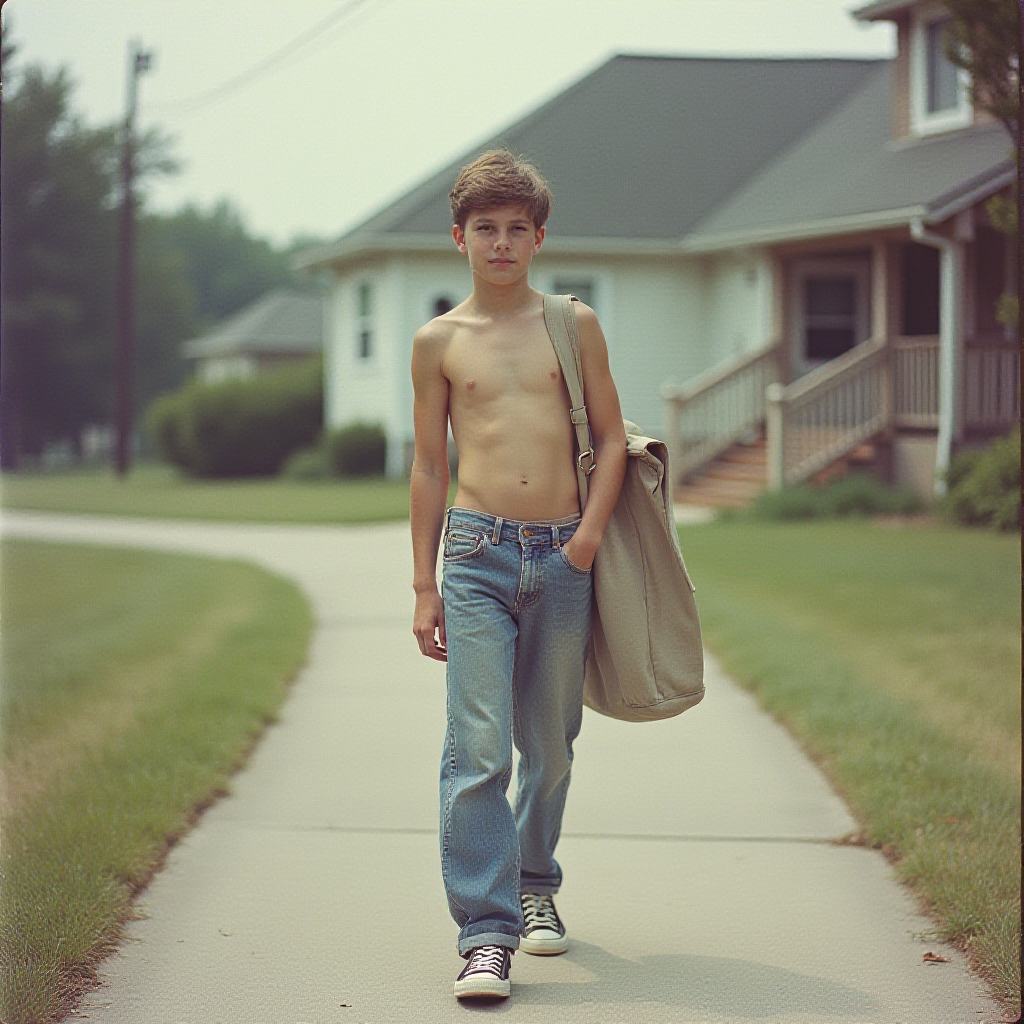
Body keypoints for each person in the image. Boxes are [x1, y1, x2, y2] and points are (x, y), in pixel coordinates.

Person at [409, 150, 627, 1001]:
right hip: (474, 556)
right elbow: (430, 467)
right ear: (459, 238)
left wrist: (586, 542)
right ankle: (485, 932)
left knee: (550, 745)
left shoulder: (571, 323)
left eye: (516, 229)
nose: (501, 243)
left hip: (564, 552)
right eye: (485, 229)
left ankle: (537, 887)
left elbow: (610, 439)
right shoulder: (438, 342)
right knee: (476, 747)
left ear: (539, 237)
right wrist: (424, 583)